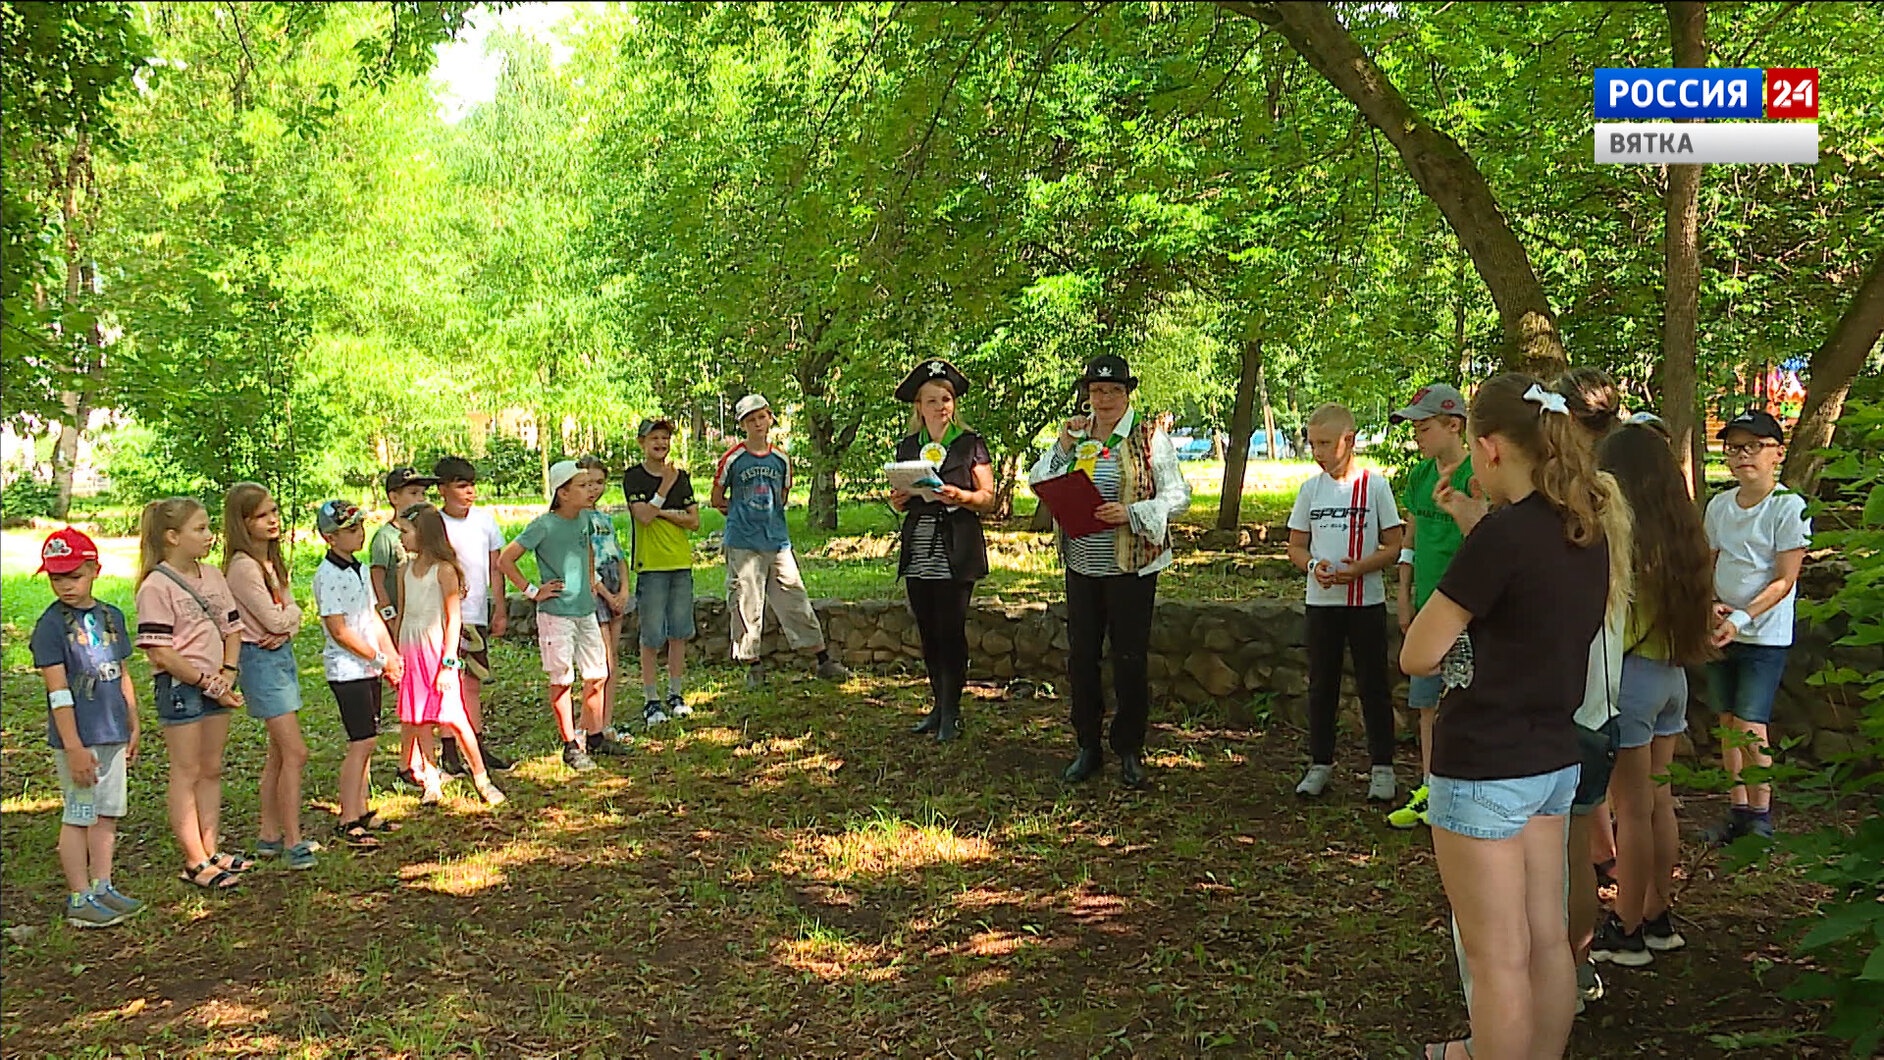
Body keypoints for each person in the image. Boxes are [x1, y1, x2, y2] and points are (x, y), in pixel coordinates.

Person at [1400, 374, 1618, 1060]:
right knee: (1546, 938)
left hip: (1484, 762)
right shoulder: (1586, 527)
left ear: (1489, 449)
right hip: (1553, 756)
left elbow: (1418, 652)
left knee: (1495, 958)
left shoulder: (1500, 538)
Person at [1027, 353, 1190, 789]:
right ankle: (1087, 745)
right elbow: (1040, 480)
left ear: (1126, 394)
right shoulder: (1076, 435)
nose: (1103, 399)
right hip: (1082, 563)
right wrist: (1063, 444)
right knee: (1082, 656)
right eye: (1096, 391)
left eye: (1113, 391)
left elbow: (1178, 494)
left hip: (1131, 566)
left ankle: (1130, 749)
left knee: (1129, 658)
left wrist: (1133, 513)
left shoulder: (1149, 437)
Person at [1590, 425, 1715, 967]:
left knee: (1631, 812)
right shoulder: (1682, 533)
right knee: (1658, 803)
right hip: (1672, 676)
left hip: (1634, 682)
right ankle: (1660, 916)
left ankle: (1628, 926)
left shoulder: (1626, 535)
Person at [1286, 403, 1404, 801]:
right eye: (1311, 442)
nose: (1316, 451)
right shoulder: (1310, 489)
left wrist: (1362, 568)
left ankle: (1382, 769)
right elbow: (1296, 547)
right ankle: (1320, 763)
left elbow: (1394, 543)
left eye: (1324, 443)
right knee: (1322, 684)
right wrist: (1313, 566)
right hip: (1322, 604)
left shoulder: (1375, 486)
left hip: (1365, 602)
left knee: (1374, 684)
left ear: (1348, 441)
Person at [1703, 408, 1810, 843]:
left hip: (1763, 636)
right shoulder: (1719, 506)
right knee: (1727, 721)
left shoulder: (1789, 507)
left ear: (1776, 454)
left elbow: (1785, 578)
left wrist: (1744, 617)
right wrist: (1709, 604)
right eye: (1734, 448)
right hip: (1720, 630)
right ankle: (1738, 808)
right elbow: (1709, 564)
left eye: (1754, 447)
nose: (1743, 456)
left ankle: (1761, 812)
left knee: (1750, 723)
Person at [135, 497, 252, 891]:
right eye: (199, 529)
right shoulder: (156, 585)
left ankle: (211, 847)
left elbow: (232, 628)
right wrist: (208, 682)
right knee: (186, 771)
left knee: (211, 767)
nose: (208, 535)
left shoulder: (214, 576)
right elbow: (162, 652)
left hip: (218, 684)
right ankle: (194, 859)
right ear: (172, 537)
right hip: (183, 687)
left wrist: (228, 673)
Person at [31, 528, 144, 926]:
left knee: (107, 812)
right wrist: (73, 745)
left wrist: (133, 719)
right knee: (79, 813)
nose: (65, 585)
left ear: (94, 569)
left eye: (74, 575)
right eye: (56, 577)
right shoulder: (50, 626)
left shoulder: (110, 616)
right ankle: (79, 896)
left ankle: (102, 884)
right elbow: (57, 691)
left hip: (112, 730)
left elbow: (122, 671)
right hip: (79, 737)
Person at [710, 394, 852, 687]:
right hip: (744, 542)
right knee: (746, 602)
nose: (758, 423)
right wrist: (740, 515)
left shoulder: (781, 459)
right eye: (750, 420)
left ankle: (821, 658)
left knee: (795, 598)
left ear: (770, 417)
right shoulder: (733, 458)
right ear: (742, 425)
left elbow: (782, 496)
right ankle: (753, 664)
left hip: (777, 540)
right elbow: (717, 498)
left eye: (761, 417)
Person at [888, 359, 996, 743]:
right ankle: (936, 706)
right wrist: (897, 500)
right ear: (919, 406)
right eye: (932, 400)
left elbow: (988, 498)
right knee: (929, 630)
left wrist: (961, 496)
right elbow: (899, 498)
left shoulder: (970, 443)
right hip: (920, 544)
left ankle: (952, 710)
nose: (940, 406)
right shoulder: (908, 446)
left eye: (946, 399)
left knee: (951, 630)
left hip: (957, 546)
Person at [1387, 384, 1472, 826]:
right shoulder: (1420, 477)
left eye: (1424, 426)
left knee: (1467, 700)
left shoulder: (1478, 474)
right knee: (1426, 702)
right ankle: (1430, 787)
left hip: (1468, 611)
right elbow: (1411, 539)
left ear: (1454, 425)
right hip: (1427, 606)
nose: (1417, 436)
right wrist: (1403, 593)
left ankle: (1464, 789)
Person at [222, 482, 314, 870]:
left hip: (280, 655)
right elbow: (278, 617)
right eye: (262, 515)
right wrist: (290, 621)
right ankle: (293, 841)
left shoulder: (271, 563)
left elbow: (292, 614)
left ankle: (269, 834)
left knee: (279, 753)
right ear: (243, 523)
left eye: (274, 511)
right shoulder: (243, 567)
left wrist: (289, 623)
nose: (273, 520)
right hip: (260, 659)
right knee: (295, 751)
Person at [498, 461, 612, 770]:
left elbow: (587, 549)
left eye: (592, 484)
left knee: (597, 674)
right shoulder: (543, 525)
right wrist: (533, 590)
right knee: (562, 679)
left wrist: (590, 582)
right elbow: (506, 559)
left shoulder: (586, 519)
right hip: (557, 615)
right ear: (562, 492)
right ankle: (570, 745)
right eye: (583, 485)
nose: (591, 490)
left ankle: (595, 735)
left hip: (585, 610)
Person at [395, 503, 506, 805]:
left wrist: (448, 663)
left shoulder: (444, 571)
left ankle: (482, 778)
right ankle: (431, 778)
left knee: (455, 717)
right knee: (419, 719)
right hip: (411, 650)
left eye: (405, 531)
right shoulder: (403, 570)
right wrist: (396, 654)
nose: (401, 539)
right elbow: (403, 613)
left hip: (437, 652)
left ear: (424, 533)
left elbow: (453, 618)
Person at [311, 499, 405, 849]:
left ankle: (362, 808)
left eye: (359, 527)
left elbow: (372, 617)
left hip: (369, 667)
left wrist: (390, 655)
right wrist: (379, 657)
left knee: (369, 738)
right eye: (349, 530)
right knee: (360, 740)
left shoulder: (360, 569)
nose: (359, 534)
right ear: (329, 537)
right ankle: (347, 816)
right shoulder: (328, 576)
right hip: (347, 669)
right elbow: (339, 630)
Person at [432, 456, 513, 775]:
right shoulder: (434, 524)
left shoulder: (485, 520)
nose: (470, 492)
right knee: (448, 682)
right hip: (444, 616)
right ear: (443, 490)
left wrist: (500, 608)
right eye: (461, 485)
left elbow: (496, 566)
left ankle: (476, 744)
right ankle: (449, 749)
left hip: (476, 613)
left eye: (472, 485)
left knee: (473, 682)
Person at [621, 418, 702, 725]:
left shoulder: (682, 477)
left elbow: (694, 520)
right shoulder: (634, 477)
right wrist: (665, 491)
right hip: (651, 564)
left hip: (680, 562)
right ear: (642, 442)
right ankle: (651, 699)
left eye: (665, 438)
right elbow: (642, 516)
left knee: (680, 631)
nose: (661, 443)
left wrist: (661, 512)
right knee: (652, 635)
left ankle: (676, 692)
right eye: (654, 437)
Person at [370, 466, 436, 786]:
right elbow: (378, 581)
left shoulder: (422, 532)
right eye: (412, 493)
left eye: (422, 493)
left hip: (422, 626)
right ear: (393, 497)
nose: (418, 498)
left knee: (420, 694)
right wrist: (390, 619)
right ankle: (407, 762)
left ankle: (416, 759)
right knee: (409, 696)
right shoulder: (385, 537)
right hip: (401, 625)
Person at [577, 455, 635, 740]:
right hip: (594, 588)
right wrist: (607, 595)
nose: (593, 489)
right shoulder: (575, 519)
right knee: (600, 661)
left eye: (599, 483)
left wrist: (624, 590)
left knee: (613, 660)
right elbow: (583, 564)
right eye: (586, 483)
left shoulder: (604, 518)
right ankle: (588, 724)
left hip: (614, 582)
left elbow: (619, 555)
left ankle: (605, 721)